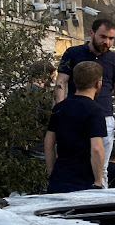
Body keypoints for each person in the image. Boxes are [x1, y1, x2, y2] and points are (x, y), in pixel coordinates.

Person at [55, 18, 115, 188]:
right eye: (103, 37)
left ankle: (99, 201)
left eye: (111, 39)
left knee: (101, 168)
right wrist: (60, 109)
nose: (106, 42)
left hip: (104, 117)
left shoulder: (114, 59)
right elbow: (61, 82)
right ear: (91, 33)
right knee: (74, 161)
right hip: (76, 115)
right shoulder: (73, 53)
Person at [44, 61, 107, 193]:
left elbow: (49, 143)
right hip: (84, 181)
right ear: (98, 83)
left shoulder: (59, 108)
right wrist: (97, 182)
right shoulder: (95, 111)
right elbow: (96, 148)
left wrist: (51, 173)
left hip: (59, 177)